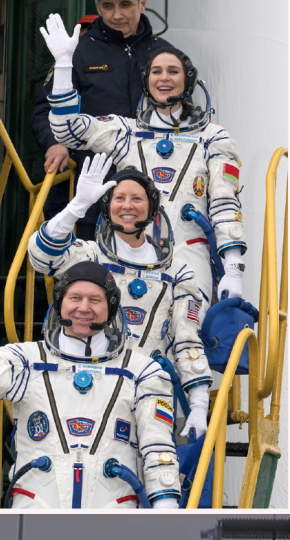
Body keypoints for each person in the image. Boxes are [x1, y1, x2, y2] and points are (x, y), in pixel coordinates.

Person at [42, 12, 248, 311]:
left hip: (188, 255)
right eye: (156, 72)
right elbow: (68, 129)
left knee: (185, 327)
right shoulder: (125, 131)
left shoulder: (213, 139)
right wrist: (63, 65)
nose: (164, 78)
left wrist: (232, 270)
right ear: (146, 81)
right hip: (124, 252)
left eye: (173, 71)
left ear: (188, 80)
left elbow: (225, 205)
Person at [0, 262, 182, 509]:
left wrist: (166, 508)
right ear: (59, 302)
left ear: (111, 307)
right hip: (36, 514)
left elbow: (158, 447)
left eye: (95, 300)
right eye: (74, 297)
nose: (84, 308)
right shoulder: (26, 360)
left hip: (112, 520)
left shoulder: (141, 371)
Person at [28, 153, 212, 440]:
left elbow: (188, 338)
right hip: (88, 388)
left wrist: (199, 404)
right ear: (107, 206)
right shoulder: (88, 255)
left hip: (150, 394)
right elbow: (41, 256)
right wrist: (77, 206)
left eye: (137, 199)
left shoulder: (178, 271)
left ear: (152, 208)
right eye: (119, 198)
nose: (128, 206)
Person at [32, 0, 175, 239]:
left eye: (125, 5)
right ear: (97, 8)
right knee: (85, 270)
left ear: (142, 5)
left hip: (153, 189)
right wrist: (54, 143)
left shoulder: (166, 55)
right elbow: (45, 109)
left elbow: (184, 116)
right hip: (91, 190)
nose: (117, 15)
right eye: (108, 6)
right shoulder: (77, 53)